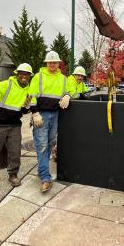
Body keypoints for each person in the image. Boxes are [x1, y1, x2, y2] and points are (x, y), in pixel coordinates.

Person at [0, 63, 36, 195]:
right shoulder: (7, 84)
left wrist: (26, 108)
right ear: (17, 74)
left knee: (15, 153)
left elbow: (23, 111)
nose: (24, 76)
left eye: (27, 74)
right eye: (21, 73)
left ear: (29, 76)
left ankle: (13, 174)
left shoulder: (29, 90)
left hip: (15, 125)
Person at [29, 51, 77, 193]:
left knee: (50, 142)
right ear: (47, 63)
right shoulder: (39, 77)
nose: (52, 64)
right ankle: (46, 177)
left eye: (54, 62)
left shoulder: (63, 79)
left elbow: (71, 90)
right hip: (41, 114)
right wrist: (35, 113)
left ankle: (41, 169)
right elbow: (31, 95)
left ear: (58, 64)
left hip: (55, 114)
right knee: (42, 145)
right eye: (50, 62)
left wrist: (67, 96)